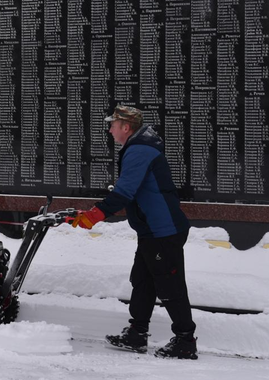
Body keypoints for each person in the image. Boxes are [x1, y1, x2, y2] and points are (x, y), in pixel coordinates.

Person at [69, 105, 198, 360]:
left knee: (169, 285)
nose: (110, 130)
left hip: (163, 231)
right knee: (143, 281)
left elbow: (124, 192)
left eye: (113, 125)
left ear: (126, 128)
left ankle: (185, 340)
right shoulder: (138, 148)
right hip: (152, 230)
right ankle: (137, 333)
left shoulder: (139, 151)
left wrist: (94, 216)